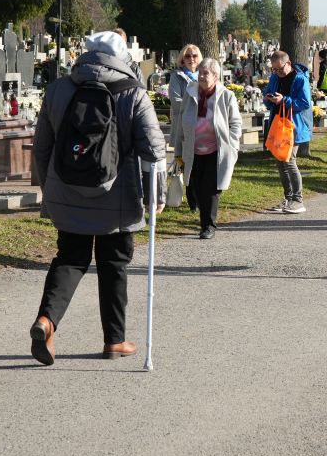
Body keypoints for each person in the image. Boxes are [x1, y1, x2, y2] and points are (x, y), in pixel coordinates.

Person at [29, 31, 166, 365]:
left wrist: (49, 188)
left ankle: (47, 320)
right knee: (113, 263)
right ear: (122, 57)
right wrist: (157, 194)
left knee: (70, 258)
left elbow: (42, 145)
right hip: (117, 198)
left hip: (66, 188)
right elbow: (154, 149)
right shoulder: (133, 93)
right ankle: (114, 340)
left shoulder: (59, 89)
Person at [178, 58, 243, 239]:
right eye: (200, 72)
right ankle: (204, 217)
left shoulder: (226, 96)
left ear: (215, 76)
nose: (201, 76)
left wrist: (232, 146)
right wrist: (177, 147)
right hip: (193, 148)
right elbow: (180, 119)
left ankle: (208, 226)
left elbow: (235, 124)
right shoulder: (191, 93)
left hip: (216, 149)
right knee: (196, 187)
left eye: (205, 73)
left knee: (210, 188)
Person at [262, 50, 312, 214]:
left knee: (289, 161)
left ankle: (298, 200)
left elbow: (304, 103)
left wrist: (284, 100)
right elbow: (269, 93)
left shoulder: (300, 78)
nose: (277, 72)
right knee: (280, 162)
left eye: (280, 69)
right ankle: (288, 198)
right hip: (277, 122)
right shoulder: (275, 77)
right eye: (274, 69)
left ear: (288, 63)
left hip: (293, 125)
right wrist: (268, 98)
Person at [169, 44, 202, 206]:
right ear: (182, 58)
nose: (191, 59)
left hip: (204, 128)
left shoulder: (204, 75)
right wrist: (198, 108)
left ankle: (202, 196)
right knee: (188, 163)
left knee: (202, 164)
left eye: (194, 56)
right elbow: (176, 102)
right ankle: (192, 201)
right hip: (185, 127)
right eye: (187, 56)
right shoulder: (177, 77)